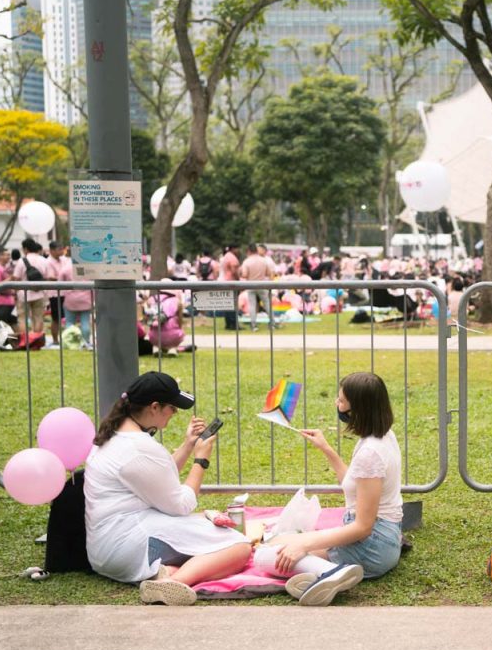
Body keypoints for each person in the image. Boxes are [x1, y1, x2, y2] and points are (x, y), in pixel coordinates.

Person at [85, 372, 252, 606]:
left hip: (104, 552)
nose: (175, 414)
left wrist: (187, 445)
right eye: (172, 408)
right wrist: (200, 460)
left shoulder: (112, 434)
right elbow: (182, 505)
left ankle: (167, 572)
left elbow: (154, 477)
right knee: (239, 547)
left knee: (207, 531)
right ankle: (171, 584)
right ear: (155, 407)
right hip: (129, 547)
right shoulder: (140, 447)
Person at [268, 372, 403, 606]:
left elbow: (362, 527)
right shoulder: (382, 436)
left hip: (373, 547)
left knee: (269, 553)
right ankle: (323, 573)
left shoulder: (370, 452)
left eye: (341, 401)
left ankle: (332, 574)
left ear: (357, 409)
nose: (336, 404)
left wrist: (305, 543)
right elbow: (355, 485)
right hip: (382, 539)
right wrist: (326, 449)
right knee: (281, 543)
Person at [12, 238, 53, 342]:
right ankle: (37, 340)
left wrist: (15, 293)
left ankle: (25, 341)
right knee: (38, 317)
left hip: (23, 294)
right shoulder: (44, 260)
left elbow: (16, 278)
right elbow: (48, 277)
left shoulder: (22, 261)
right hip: (39, 293)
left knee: (22, 318)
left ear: (25, 249)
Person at [240, 243, 273, 331]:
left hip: (251, 284)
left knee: (252, 305)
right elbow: (268, 273)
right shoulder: (263, 260)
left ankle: (254, 325)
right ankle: (272, 323)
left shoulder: (247, 261)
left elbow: (245, 274)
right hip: (262, 284)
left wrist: (241, 274)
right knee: (267, 304)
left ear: (249, 251)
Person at [45, 241, 71, 349]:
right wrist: (65, 278)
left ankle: (68, 338)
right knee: (56, 318)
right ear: (52, 250)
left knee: (68, 316)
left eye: (62, 249)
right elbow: (50, 277)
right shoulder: (48, 262)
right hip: (55, 294)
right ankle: (55, 340)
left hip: (67, 292)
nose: (62, 251)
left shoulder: (64, 259)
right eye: (59, 249)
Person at [219, 245, 241, 330]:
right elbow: (234, 270)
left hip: (225, 281)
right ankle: (233, 324)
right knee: (233, 304)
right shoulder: (232, 258)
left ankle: (228, 324)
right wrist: (238, 280)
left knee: (227, 304)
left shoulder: (225, 257)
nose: (238, 250)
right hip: (231, 282)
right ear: (233, 248)